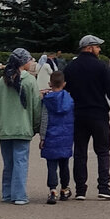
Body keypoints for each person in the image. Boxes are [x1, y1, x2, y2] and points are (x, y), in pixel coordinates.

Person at [63, 34, 110, 200]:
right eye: (97, 46)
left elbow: (63, 90)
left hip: (78, 115)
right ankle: (103, 187)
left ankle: (80, 190)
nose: (99, 49)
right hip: (98, 114)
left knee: (80, 152)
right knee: (103, 151)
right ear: (89, 47)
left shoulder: (71, 67)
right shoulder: (101, 67)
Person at [0, 47, 40, 205]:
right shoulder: (30, 81)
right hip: (23, 127)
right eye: (29, 60)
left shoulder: (4, 81)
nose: (31, 62)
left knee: (8, 163)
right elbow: (35, 106)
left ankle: (7, 193)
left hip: (5, 127)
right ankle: (19, 195)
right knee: (20, 161)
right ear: (23, 62)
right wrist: (36, 126)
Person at [40, 69, 74, 204]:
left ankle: (52, 189)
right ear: (64, 84)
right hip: (66, 136)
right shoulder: (70, 100)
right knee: (64, 165)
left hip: (51, 136)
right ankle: (64, 189)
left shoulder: (47, 100)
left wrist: (42, 137)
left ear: (50, 83)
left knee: (51, 165)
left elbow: (44, 119)